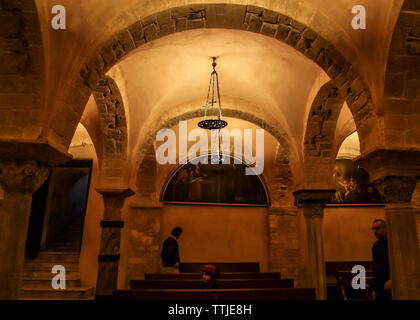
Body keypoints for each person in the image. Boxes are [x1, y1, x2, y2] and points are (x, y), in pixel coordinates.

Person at [371, 219, 392, 300]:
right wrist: (374, 289)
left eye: (377, 228)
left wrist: (392, 279)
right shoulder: (376, 245)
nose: (375, 231)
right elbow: (375, 267)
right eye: (373, 229)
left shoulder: (391, 244)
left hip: (389, 282)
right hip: (379, 284)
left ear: (385, 228)